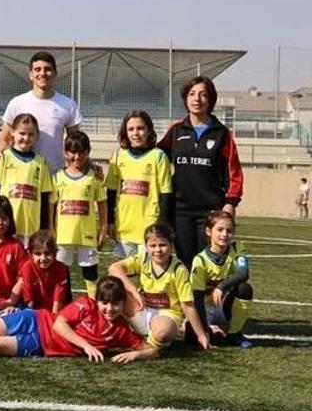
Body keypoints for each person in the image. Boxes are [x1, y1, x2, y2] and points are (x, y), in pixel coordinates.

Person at [0, 277, 156, 363]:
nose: (109, 308)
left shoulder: (121, 331)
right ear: (97, 300)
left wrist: (135, 355)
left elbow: (152, 350)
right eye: (105, 302)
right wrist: (86, 345)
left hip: (42, 346)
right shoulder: (86, 305)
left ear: (123, 305)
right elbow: (59, 324)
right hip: (35, 321)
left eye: (115, 303)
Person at [158, 76, 243, 267]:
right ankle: (189, 298)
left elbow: (234, 170)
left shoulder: (221, 133)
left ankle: (210, 296)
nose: (197, 99)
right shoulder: (177, 130)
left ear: (210, 100)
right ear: (186, 99)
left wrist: (231, 203)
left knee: (209, 264)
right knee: (186, 261)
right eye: (192, 94)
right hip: (181, 211)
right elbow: (155, 158)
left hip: (211, 211)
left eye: (203, 94)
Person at [108, 222, 210, 350]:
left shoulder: (179, 269)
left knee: (162, 333)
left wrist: (201, 335)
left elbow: (187, 305)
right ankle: (106, 331)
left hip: (167, 314)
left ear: (171, 246)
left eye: (162, 245)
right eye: (152, 246)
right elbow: (114, 268)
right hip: (142, 309)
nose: (158, 250)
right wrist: (134, 291)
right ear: (146, 247)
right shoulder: (144, 259)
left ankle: (147, 346)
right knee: (112, 285)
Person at [0, 51, 82, 173]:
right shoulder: (17, 103)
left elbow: (76, 145)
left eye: (47, 69)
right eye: (37, 69)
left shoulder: (68, 105)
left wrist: (90, 166)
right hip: (22, 176)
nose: (42, 73)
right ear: (30, 74)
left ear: (55, 73)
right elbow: (4, 140)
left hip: (54, 176)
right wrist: (0, 155)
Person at [105, 109, 172, 258]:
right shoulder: (118, 155)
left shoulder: (158, 156)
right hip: (124, 227)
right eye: (131, 129)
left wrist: (161, 225)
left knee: (148, 276)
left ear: (149, 131)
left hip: (149, 228)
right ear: (125, 132)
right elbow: (110, 191)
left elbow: (166, 194)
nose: (136, 133)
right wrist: (109, 221)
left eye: (140, 128)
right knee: (123, 275)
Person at [50, 130, 107, 298]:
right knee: (60, 274)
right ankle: (62, 306)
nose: (76, 156)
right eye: (72, 152)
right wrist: (52, 230)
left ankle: (93, 308)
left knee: (90, 274)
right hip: (63, 236)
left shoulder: (94, 177)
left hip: (87, 235)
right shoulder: (58, 177)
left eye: (81, 152)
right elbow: (52, 206)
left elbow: (102, 204)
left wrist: (103, 229)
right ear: (66, 153)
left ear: (88, 152)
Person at [189, 211, 253, 348]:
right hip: (206, 309)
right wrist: (204, 329)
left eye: (229, 231)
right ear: (208, 231)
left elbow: (243, 273)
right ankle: (210, 328)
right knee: (199, 339)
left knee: (244, 288)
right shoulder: (200, 260)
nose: (224, 234)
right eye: (219, 229)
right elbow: (197, 297)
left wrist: (221, 286)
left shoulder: (237, 248)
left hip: (225, 306)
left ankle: (235, 332)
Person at [0, 113, 53, 244]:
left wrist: (44, 227)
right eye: (22, 133)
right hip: (6, 226)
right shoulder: (4, 158)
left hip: (31, 228)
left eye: (31, 134)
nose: (26, 138)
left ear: (36, 136)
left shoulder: (41, 163)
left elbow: (45, 197)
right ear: (12, 132)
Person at [19, 230, 70, 314]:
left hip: (55, 309)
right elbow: (29, 298)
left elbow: (58, 299)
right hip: (34, 309)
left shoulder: (61, 268)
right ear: (30, 254)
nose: (43, 258)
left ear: (54, 253)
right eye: (38, 254)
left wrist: (53, 318)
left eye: (48, 253)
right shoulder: (27, 267)